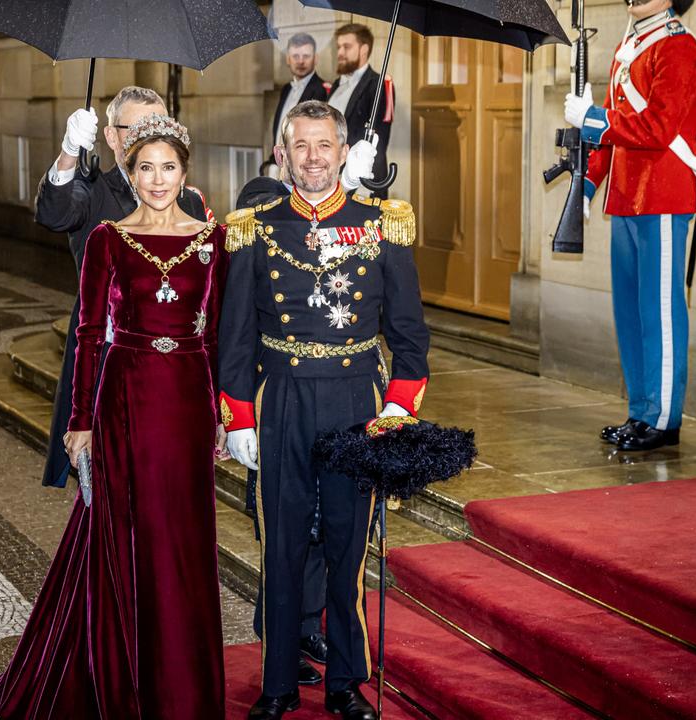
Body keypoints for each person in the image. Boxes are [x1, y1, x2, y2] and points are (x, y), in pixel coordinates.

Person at [0, 114, 227, 719]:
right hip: (125, 397)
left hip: (189, 402)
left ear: (185, 173)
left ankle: (184, 687)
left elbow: (218, 333)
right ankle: (123, 674)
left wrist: (223, 411)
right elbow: (89, 334)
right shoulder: (108, 240)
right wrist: (81, 421)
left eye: (169, 167)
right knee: (126, 530)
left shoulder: (213, 239)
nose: (158, 179)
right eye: (146, 167)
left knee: (186, 538)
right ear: (131, 172)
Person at [219, 100, 429, 720]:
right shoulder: (254, 229)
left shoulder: (380, 224)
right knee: (280, 546)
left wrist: (398, 408)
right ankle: (278, 683)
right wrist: (238, 416)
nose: (312, 158)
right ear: (283, 155)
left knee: (346, 544)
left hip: (355, 400)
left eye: (323, 145)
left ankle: (344, 682)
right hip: (281, 397)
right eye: (300, 146)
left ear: (343, 152)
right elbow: (235, 337)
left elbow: (411, 337)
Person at [34, 86, 210, 490]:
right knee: (112, 496)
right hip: (108, 366)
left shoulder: (191, 202)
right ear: (111, 137)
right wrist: (69, 154)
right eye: (137, 128)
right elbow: (54, 212)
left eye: (159, 125)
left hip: (175, 372)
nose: (150, 137)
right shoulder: (92, 190)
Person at [564, 0, 696, 451]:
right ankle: (642, 411)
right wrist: (585, 188)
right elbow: (611, 134)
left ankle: (664, 418)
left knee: (660, 312)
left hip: (664, 194)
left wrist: (592, 118)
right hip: (627, 196)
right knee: (630, 311)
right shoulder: (631, 45)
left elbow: (656, 128)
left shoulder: (679, 49)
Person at [325, 24, 392, 198]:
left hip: (363, 181)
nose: (340, 53)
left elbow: (379, 141)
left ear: (364, 49)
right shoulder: (335, 86)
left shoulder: (378, 85)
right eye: (338, 47)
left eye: (346, 47)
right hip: (332, 177)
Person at [271, 33, 329, 152]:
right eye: (295, 56)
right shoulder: (286, 89)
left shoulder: (323, 90)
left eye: (306, 56)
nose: (300, 61)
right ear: (288, 59)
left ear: (316, 58)